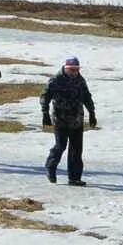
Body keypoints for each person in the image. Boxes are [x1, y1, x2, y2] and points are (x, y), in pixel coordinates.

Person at [40, 57, 95, 185]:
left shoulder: (80, 80)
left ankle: (74, 178)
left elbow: (87, 96)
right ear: (65, 68)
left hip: (77, 119)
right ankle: (51, 166)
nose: (74, 72)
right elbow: (45, 96)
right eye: (71, 70)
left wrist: (92, 112)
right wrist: (45, 112)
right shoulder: (55, 80)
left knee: (76, 149)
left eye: (76, 69)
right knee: (61, 146)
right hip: (61, 119)